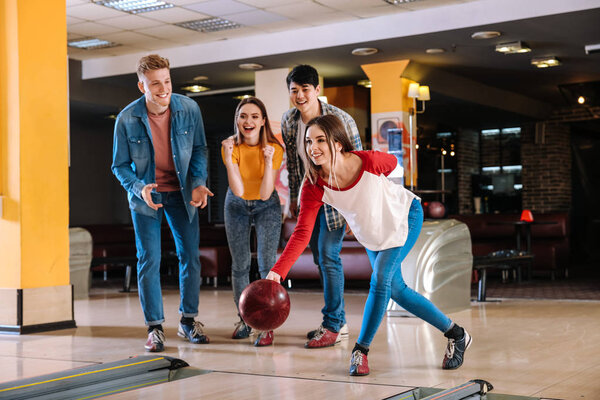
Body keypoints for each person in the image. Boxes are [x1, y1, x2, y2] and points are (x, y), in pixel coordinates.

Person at [266, 115, 472, 376]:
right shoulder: (314, 184)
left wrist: (375, 187)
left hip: (404, 217)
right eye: (308, 141)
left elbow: (393, 162)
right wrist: (278, 272)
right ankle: (457, 333)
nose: (312, 147)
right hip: (372, 233)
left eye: (320, 140)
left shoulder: (366, 161)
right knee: (396, 289)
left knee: (381, 279)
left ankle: (360, 351)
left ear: (338, 143)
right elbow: (303, 233)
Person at [111, 54, 213, 352]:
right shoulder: (127, 119)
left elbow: (199, 149)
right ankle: (155, 328)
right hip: (147, 197)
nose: (163, 88)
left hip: (182, 193)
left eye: (166, 81)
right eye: (155, 84)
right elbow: (119, 166)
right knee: (149, 260)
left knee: (190, 257)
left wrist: (198, 181)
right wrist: (138, 187)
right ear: (142, 86)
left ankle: (188, 321)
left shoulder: (189, 108)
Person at [281, 64, 362, 348]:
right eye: (294, 90)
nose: (300, 95)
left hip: (338, 198)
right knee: (320, 259)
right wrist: (293, 196)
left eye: (305, 89)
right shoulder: (289, 121)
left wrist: (354, 209)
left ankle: (332, 325)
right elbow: (293, 163)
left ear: (317, 90)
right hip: (310, 196)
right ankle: (338, 321)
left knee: (328, 256)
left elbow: (358, 162)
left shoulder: (340, 119)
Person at [221, 97, 284, 346]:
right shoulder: (229, 146)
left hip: (266, 204)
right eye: (243, 116)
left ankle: (267, 324)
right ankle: (245, 319)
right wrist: (228, 158)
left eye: (254, 116)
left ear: (263, 121)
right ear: (237, 120)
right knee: (240, 264)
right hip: (236, 204)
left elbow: (267, 193)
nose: (248, 121)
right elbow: (237, 189)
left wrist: (268, 161)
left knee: (268, 264)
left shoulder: (275, 149)